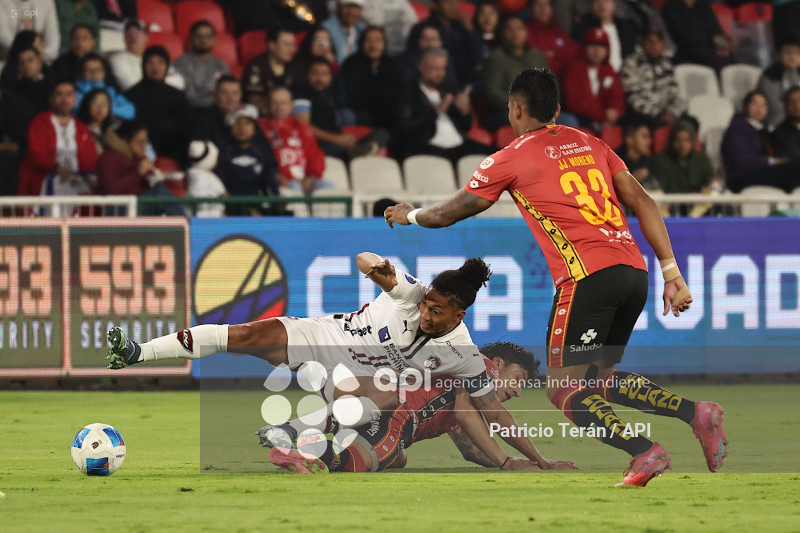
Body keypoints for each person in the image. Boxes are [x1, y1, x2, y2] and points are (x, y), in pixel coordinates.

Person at [384, 67, 728, 487]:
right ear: (557, 110)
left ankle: (646, 452)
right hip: (633, 272)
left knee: (563, 389)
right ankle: (698, 414)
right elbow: (642, 199)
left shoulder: (510, 155)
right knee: (595, 381)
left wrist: (410, 215)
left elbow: (453, 211)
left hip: (587, 277)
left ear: (514, 109)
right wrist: (671, 272)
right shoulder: (592, 143)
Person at [107, 254, 570, 471]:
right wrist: (378, 268)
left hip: (359, 381)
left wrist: (542, 459)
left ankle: (296, 440)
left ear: (458, 315)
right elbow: (363, 257)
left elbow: (494, 412)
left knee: (387, 393)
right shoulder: (411, 292)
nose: (426, 312)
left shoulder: (462, 353)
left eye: (437, 310)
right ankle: (139, 352)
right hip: (327, 338)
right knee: (245, 335)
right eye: (427, 303)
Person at [270, 342, 567, 473]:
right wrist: (519, 461)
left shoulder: (459, 381)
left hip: (378, 403)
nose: (517, 390)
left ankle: (310, 433)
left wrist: (518, 462)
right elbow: (467, 412)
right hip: (398, 414)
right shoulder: (483, 366)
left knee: (399, 459)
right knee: (357, 463)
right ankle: (307, 450)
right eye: (517, 379)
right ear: (499, 365)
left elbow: (471, 450)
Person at [395, 47, 491, 166]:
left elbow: (465, 126)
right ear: (421, 68)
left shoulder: (447, 91)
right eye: (435, 69)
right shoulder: (409, 93)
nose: (440, 74)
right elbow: (405, 128)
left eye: (442, 69)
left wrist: (465, 111)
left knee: (498, 155)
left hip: (459, 145)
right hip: (429, 146)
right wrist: (436, 112)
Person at [292, 57, 384, 162]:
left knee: (382, 133)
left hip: (338, 139)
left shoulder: (328, 95)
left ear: (331, 77)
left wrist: (344, 137)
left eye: (324, 74)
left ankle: (361, 151)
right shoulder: (301, 96)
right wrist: (337, 139)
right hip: (321, 144)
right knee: (339, 149)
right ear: (307, 75)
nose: (319, 79)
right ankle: (357, 153)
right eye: (315, 73)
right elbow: (304, 127)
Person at [17, 80, 97, 195]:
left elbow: (91, 159)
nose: (64, 99)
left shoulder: (82, 127)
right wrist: (57, 168)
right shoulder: (40, 122)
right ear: (51, 99)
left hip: (78, 177)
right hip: (47, 175)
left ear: (75, 100)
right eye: (59, 94)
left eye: (69, 94)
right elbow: (36, 154)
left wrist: (88, 175)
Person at [721, 90, 799, 193]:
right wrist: (770, 161)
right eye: (755, 104)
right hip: (741, 177)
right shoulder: (737, 127)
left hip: (761, 172)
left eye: (763, 106)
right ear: (746, 106)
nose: (759, 109)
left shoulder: (763, 130)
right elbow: (740, 158)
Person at [481, 15, 548, 131]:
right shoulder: (496, 58)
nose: (515, 33)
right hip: (506, 112)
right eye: (509, 29)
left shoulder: (536, 55)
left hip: (537, 111)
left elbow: (550, 84)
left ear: (526, 32)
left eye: (519, 28)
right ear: (503, 33)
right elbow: (493, 93)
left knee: (569, 121)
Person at [125, 45, 192, 160]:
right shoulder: (131, 95)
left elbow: (186, 129)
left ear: (167, 66)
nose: (155, 67)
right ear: (143, 66)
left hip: (174, 155)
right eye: (150, 63)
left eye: (160, 62)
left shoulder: (178, 95)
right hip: (139, 155)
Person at [259, 86, 329, 193]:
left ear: (291, 106)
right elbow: (262, 158)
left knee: (328, 187)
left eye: (283, 103)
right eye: (274, 103)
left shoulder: (301, 128)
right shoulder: (260, 128)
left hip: (306, 179)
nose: (279, 107)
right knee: (294, 188)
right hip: (279, 181)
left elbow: (315, 155)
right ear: (267, 105)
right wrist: (278, 176)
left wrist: (311, 176)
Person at [216, 103, 280, 215]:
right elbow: (221, 190)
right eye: (238, 123)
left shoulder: (263, 153)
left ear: (254, 127)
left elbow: (270, 185)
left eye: (247, 123)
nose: (242, 128)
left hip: (259, 207)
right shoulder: (222, 154)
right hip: (233, 210)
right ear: (231, 126)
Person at [561, 27, 626, 133]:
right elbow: (575, 104)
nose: (597, 50)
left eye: (601, 46)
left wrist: (614, 114)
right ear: (585, 48)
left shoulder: (608, 70)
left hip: (603, 121)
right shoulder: (573, 69)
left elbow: (617, 98)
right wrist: (604, 114)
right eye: (592, 45)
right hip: (580, 119)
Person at [407, 0, 483, 87]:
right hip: (437, 80)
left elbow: (476, 58)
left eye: (455, 3)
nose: (453, 7)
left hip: (465, 79)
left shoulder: (463, 27)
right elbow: (413, 58)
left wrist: (471, 32)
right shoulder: (423, 28)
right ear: (436, 5)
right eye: (448, 3)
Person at [340, 26, 403, 130]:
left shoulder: (392, 65)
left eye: (378, 41)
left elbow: (399, 94)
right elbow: (353, 96)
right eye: (368, 41)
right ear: (361, 43)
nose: (373, 46)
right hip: (361, 114)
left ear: (384, 44)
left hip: (390, 115)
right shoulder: (352, 64)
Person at [619, 28, 683, 130]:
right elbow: (632, 97)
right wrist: (658, 114)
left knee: (689, 123)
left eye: (657, 42)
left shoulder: (667, 65)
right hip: (644, 114)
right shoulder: (632, 64)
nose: (654, 46)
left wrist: (672, 113)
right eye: (650, 42)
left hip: (666, 113)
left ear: (663, 45)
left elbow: (675, 94)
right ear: (642, 43)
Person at [241, 28, 306, 115]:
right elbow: (254, 100)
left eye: (293, 45)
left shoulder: (296, 64)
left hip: (292, 112)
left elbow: (302, 93)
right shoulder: (256, 67)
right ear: (272, 45)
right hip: (264, 115)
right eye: (286, 45)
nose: (292, 50)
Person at [109, 20, 185, 92]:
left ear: (146, 38)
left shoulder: (156, 57)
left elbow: (179, 82)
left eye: (138, 32)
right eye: (129, 33)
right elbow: (130, 86)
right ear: (124, 38)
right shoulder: (118, 59)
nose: (133, 36)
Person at [662, 0, 732, 73]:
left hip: (710, 47)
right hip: (689, 51)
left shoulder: (702, 4)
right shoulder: (671, 8)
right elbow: (684, 36)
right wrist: (711, 48)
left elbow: (715, 29)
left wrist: (722, 46)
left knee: (729, 58)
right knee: (718, 62)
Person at [174, 20, 230, 108]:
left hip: (220, 109)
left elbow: (226, 92)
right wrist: (217, 100)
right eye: (199, 36)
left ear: (213, 40)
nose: (203, 40)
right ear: (191, 39)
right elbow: (190, 97)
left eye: (208, 36)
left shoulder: (221, 65)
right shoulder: (182, 63)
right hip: (194, 111)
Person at [571, 0, 637, 72]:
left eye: (606, 2)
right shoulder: (583, 28)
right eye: (597, 2)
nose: (602, 6)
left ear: (614, 4)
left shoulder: (625, 28)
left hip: (623, 75)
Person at [652, 119, 713, 194]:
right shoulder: (661, 160)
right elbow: (659, 188)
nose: (682, 145)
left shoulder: (702, 161)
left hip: (699, 204)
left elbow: (710, 184)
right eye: (678, 140)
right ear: (672, 141)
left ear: (692, 141)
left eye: (686, 140)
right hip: (668, 204)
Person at [73, 52, 135, 120]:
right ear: (82, 72)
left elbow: (130, 111)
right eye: (89, 70)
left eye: (97, 70)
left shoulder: (111, 90)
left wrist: (108, 109)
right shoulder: (74, 91)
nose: (94, 73)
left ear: (104, 73)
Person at [526, 0, 580, 76]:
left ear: (552, 9)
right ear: (531, 9)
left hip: (561, 80)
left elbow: (575, 52)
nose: (543, 8)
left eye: (547, 5)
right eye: (538, 5)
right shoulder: (525, 32)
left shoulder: (560, 34)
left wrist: (555, 54)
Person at [755, 40, 800, 130]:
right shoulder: (769, 76)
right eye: (787, 52)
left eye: (796, 52)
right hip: (778, 124)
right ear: (778, 54)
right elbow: (775, 107)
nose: (792, 57)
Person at [3, 45, 54, 113]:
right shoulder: (13, 90)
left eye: (30, 60)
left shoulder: (52, 87)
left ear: (40, 63)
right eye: (22, 62)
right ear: (18, 67)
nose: (26, 65)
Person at [616, 122, 660, 190]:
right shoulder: (615, 162)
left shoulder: (650, 162)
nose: (649, 141)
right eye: (644, 136)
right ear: (629, 139)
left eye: (649, 137)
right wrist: (633, 179)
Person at [76, 87, 115, 154]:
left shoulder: (111, 134)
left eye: (104, 104)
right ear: (87, 105)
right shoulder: (78, 130)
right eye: (95, 103)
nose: (100, 108)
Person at [772, 87, 800, 163]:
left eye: (799, 101)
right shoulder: (779, 134)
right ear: (785, 106)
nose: (797, 106)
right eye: (792, 102)